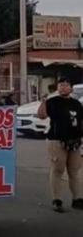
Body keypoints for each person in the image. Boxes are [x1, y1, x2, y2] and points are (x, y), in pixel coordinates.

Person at [37, 77, 83, 213]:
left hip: (74, 141)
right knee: (58, 170)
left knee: (74, 171)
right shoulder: (52, 102)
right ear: (58, 88)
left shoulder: (77, 104)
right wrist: (43, 102)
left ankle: (77, 199)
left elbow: (81, 121)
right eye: (61, 85)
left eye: (66, 85)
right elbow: (41, 116)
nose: (63, 87)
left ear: (71, 88)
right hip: (56, 140)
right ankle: (57, 200)